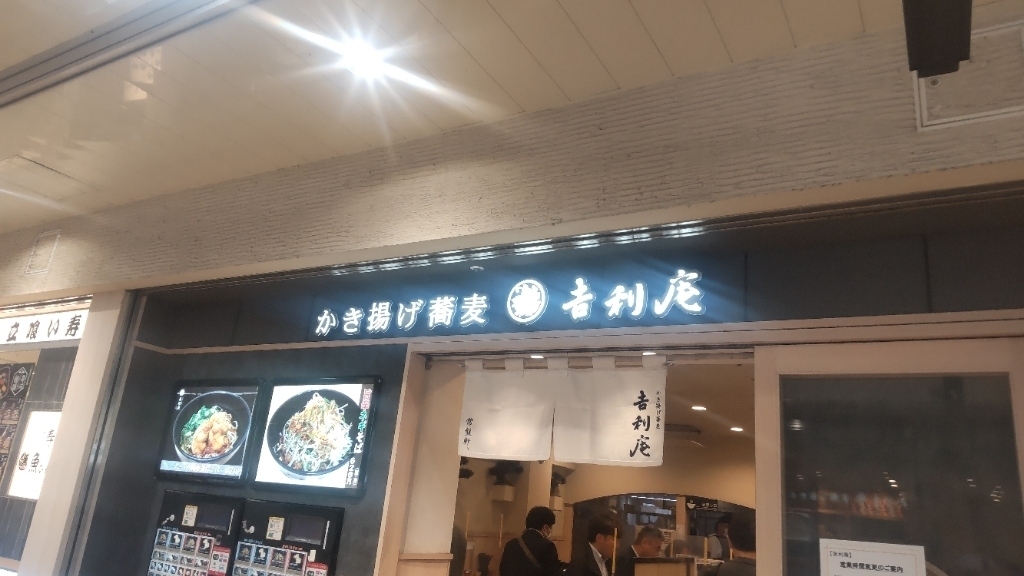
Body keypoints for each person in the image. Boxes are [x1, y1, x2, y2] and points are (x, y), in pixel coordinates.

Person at [500, 506, 565, 576]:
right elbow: (554, 573)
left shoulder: (511, 544)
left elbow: (503, 571)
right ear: (545, 527)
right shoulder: (547, 546)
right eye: (551, 528)